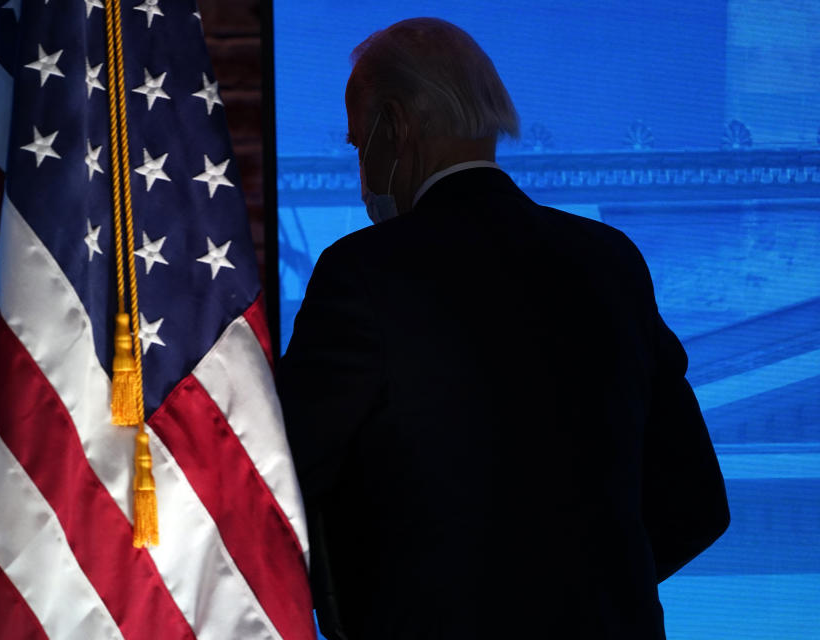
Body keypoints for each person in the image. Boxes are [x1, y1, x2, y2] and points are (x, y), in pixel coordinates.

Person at [277, 17, 729, 640]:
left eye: (360, 144)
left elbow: (280, 488)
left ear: (397, 125)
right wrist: (589, 589)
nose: (361, 167)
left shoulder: (363, 273)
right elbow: (697, 501)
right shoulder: (611, 261)